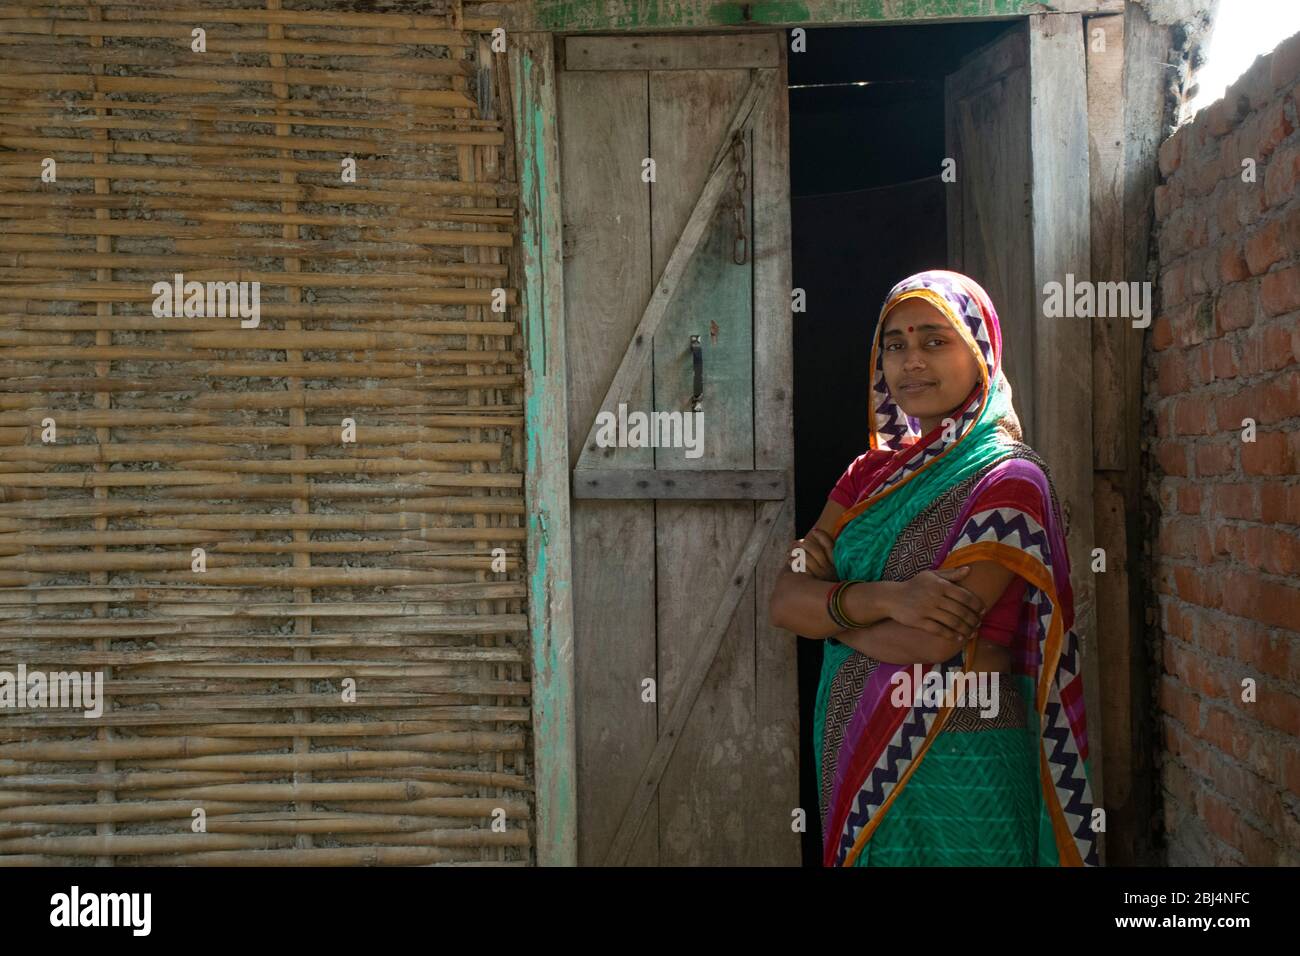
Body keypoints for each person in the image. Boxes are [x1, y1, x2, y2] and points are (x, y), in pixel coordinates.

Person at [768, 269, 1097, 867]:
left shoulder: (1008, 479)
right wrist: (885, 600)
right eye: (895, 344)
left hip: (963, 753)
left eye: (934, 341)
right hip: (850, 741)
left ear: (980, 353)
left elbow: (930, 636)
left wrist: (829, 617)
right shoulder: (867, 476)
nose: (911, 361)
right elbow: (783, 597)